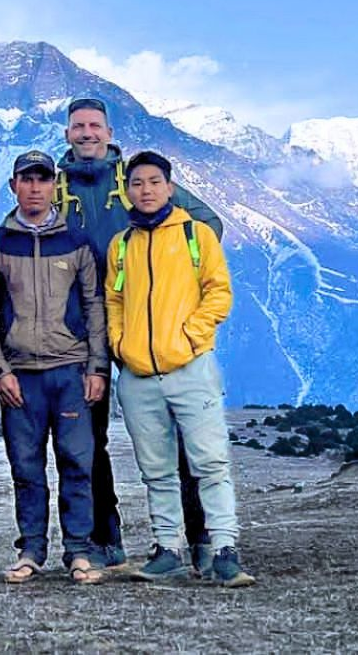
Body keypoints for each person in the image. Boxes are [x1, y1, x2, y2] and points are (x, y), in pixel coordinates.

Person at [55, 96, 223, 574]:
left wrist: (167, 276)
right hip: (81, 330)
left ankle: (199, 537)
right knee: (88, 439)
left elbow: (206, 225)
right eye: (78, 126)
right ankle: (106, 541)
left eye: (95, 126)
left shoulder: (136, 179)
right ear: (68, 134)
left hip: (143, 324)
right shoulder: (56, 185)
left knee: (178, 431)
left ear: (109, 132)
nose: (87, 133)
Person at [105, 150, 255, 588]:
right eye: (137, 183)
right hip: (137, 376)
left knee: (210, 464)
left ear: (170, 188)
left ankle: (225, 549)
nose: (145, 190)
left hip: (191, 369)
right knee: (156, 470)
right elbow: (115, 299)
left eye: (154, 182)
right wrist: (120, 343)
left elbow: (219, 292)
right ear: (127, 190)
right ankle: (167, 548)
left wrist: (192, 335)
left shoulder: (196, 235)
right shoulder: (122, 245)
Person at [0, 150, 109, 586]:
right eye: (26, 179)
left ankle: (79, 552)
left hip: (70, 371)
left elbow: (94, 306)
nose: (35, 187)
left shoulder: (76, 243)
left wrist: (97, 367)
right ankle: (31, 549)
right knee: (26, 468)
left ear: (55, 185)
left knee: (76, 463)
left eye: (43, 179)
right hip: (20, 376)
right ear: (13, 185)